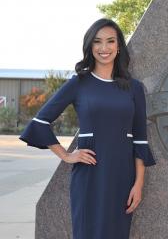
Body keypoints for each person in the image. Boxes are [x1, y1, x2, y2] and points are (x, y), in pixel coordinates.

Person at [19, 18, 156, 239]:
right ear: (90, 47)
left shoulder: (134, 88)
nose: (104, 48)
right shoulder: (79, 83)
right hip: (89, 175)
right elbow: (41, 122)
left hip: (122, 176)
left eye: (110, 41)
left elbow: (140, 139)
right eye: (97, 42)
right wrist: (66, 155)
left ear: (118, 46)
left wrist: (138, 183)